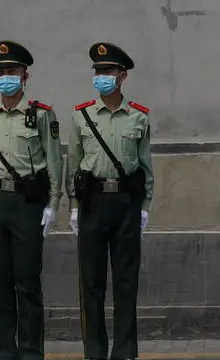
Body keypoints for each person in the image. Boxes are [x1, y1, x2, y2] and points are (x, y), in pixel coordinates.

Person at [0, 40, 64, 360]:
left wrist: (53, 205)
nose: (4, 76)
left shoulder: (41, 115)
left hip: (27, 205)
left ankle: (29, 352)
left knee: (27, 284)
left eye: (10, 71)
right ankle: (3, 352)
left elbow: (55, 162)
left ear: (24, 74)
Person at [64, 42, 154, 360]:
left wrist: (144, 208)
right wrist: (73, 207)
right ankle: (95, 351)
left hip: (126, 204)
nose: (102, 76)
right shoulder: (81, 115)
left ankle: (125, 351)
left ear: (122, 76)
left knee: (126, 281)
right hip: (92, 202)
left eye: (109, 71)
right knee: (91, 282)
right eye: (98, 71)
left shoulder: (138, 117)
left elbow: (145, 166)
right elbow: (72, 163)